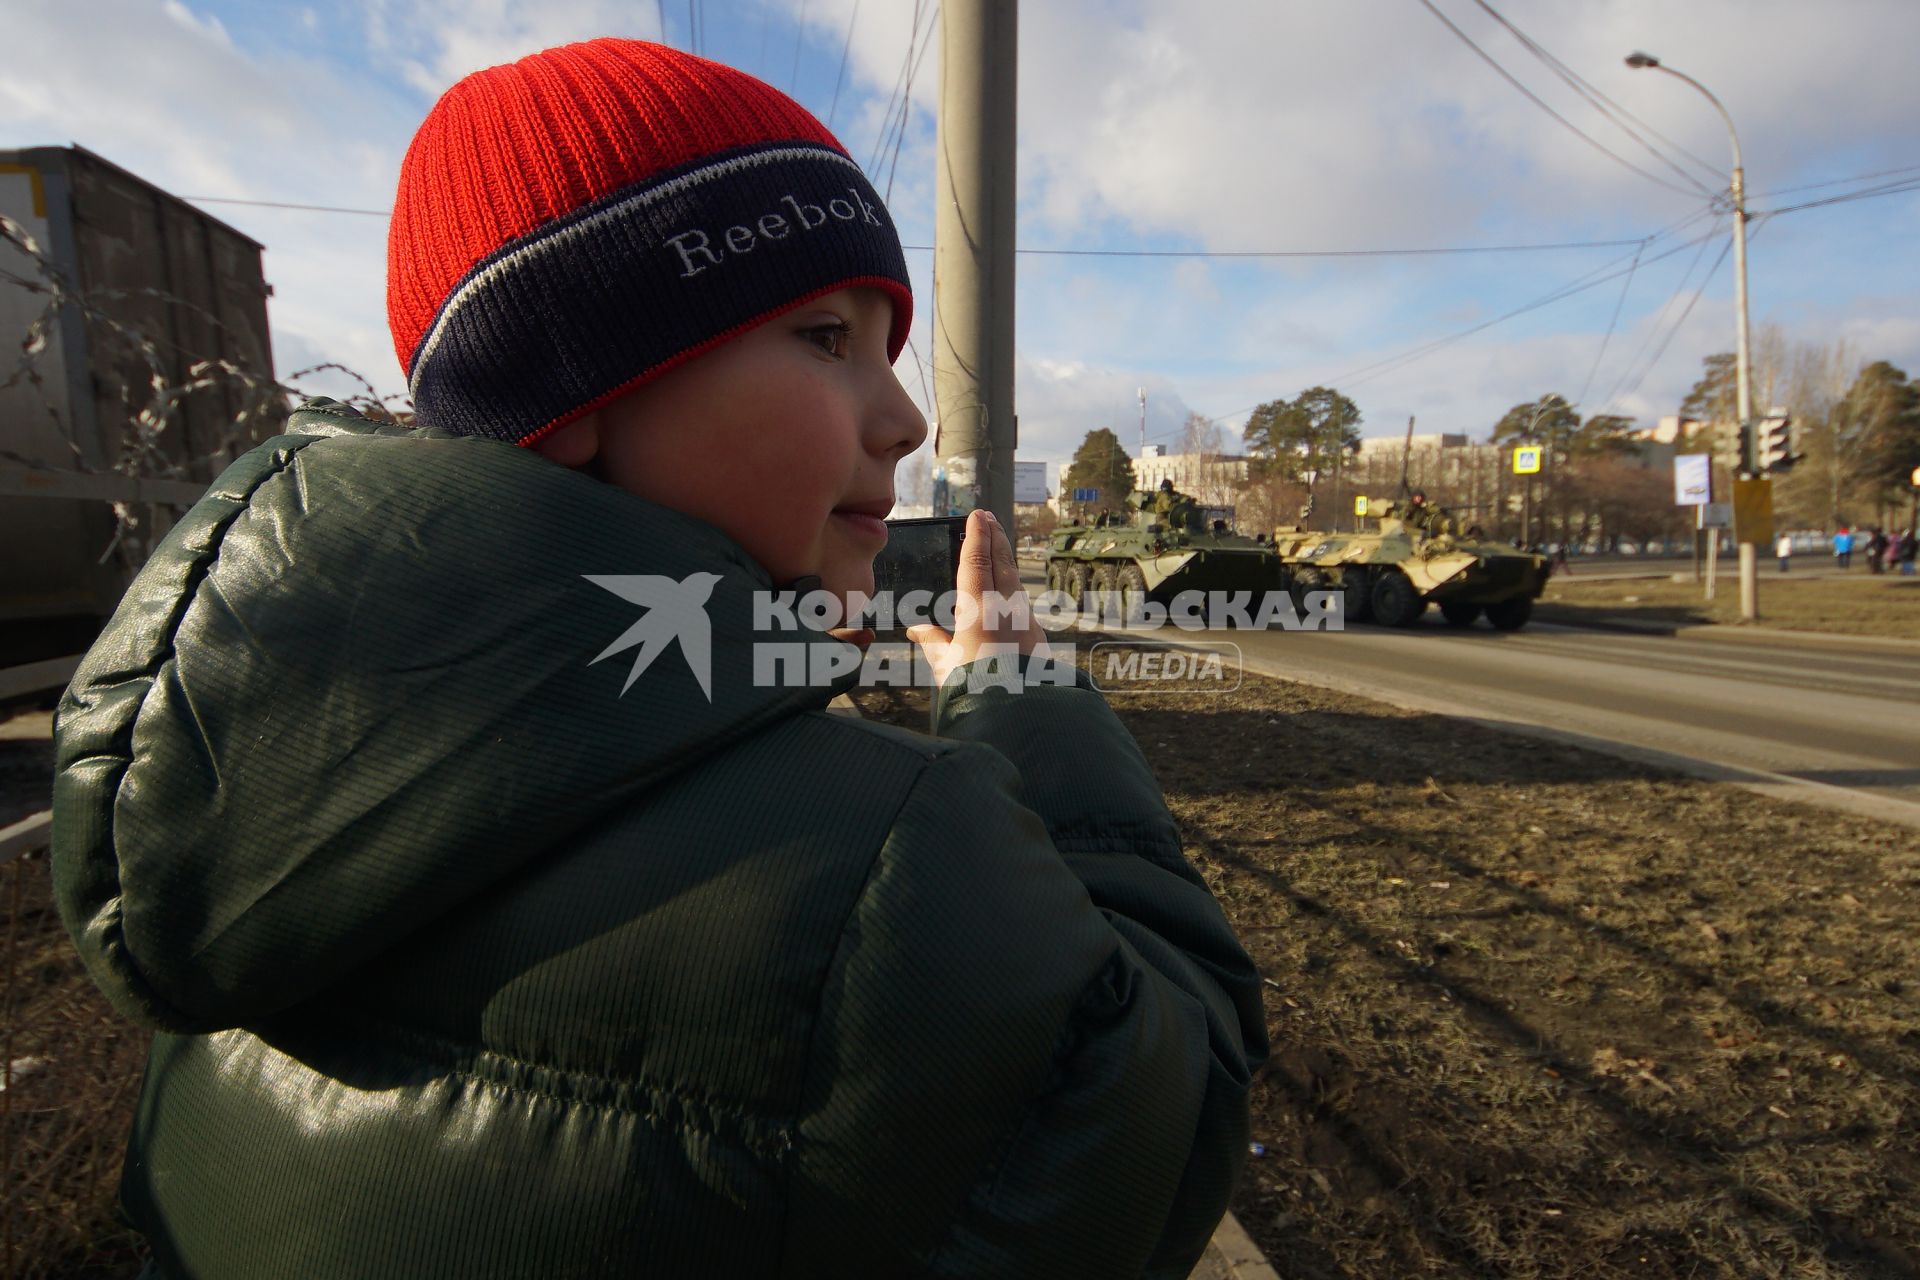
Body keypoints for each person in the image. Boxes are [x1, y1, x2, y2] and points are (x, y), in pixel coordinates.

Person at [50, 40, 1264, 1280]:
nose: (901, 419)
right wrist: (1022, 695)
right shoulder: (882, 866)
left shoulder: (236, 777)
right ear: (572, 385)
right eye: (826, 335)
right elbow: (1168, 1114)